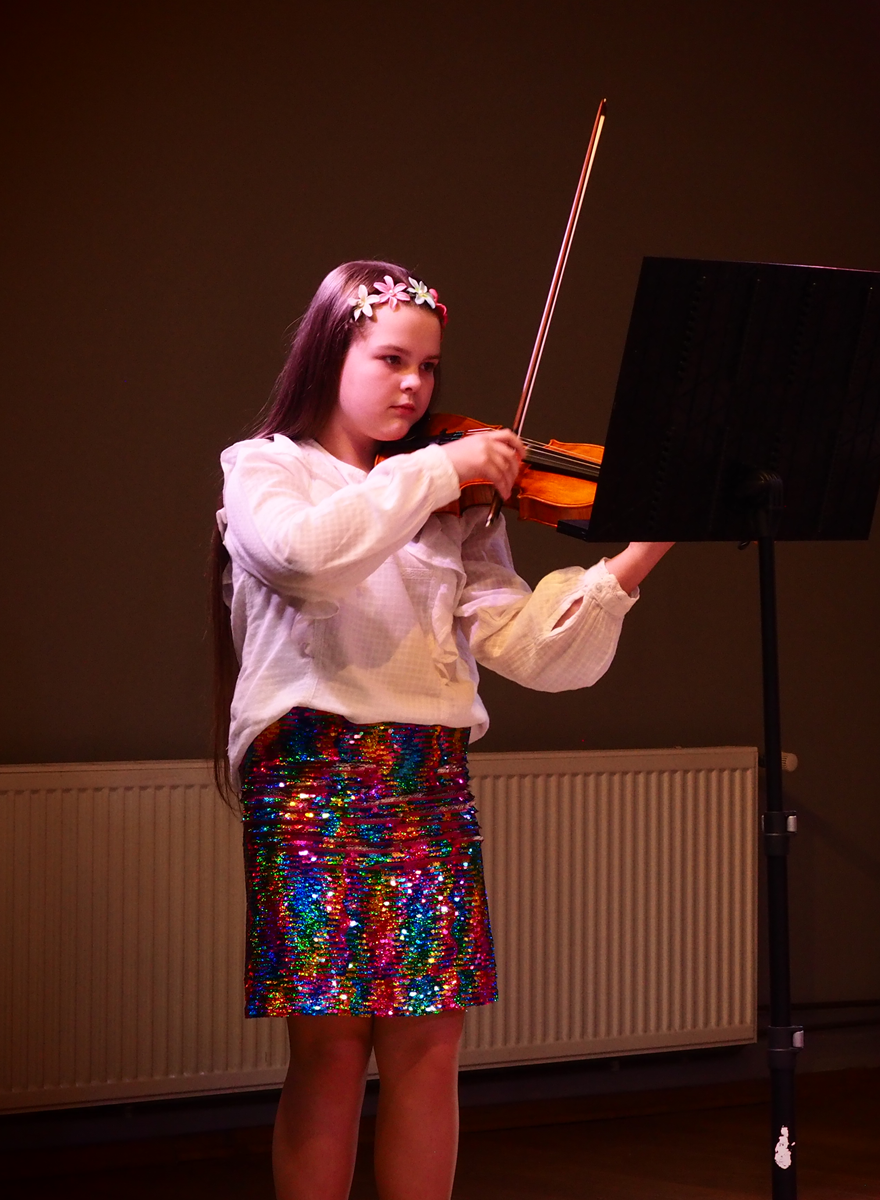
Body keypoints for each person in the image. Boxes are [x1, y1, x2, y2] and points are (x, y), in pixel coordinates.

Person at [211, 259, 672, 1200]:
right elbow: (303, 560)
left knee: (431, 1043)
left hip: (427, 780)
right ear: (330, 356)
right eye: (391, 359)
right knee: (330, 1046)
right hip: (312, 777)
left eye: (428, 367)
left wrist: (638, 554)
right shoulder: (267, 469)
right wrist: (437, 470)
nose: (414, 385)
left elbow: (528, 649)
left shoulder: (452, 504)